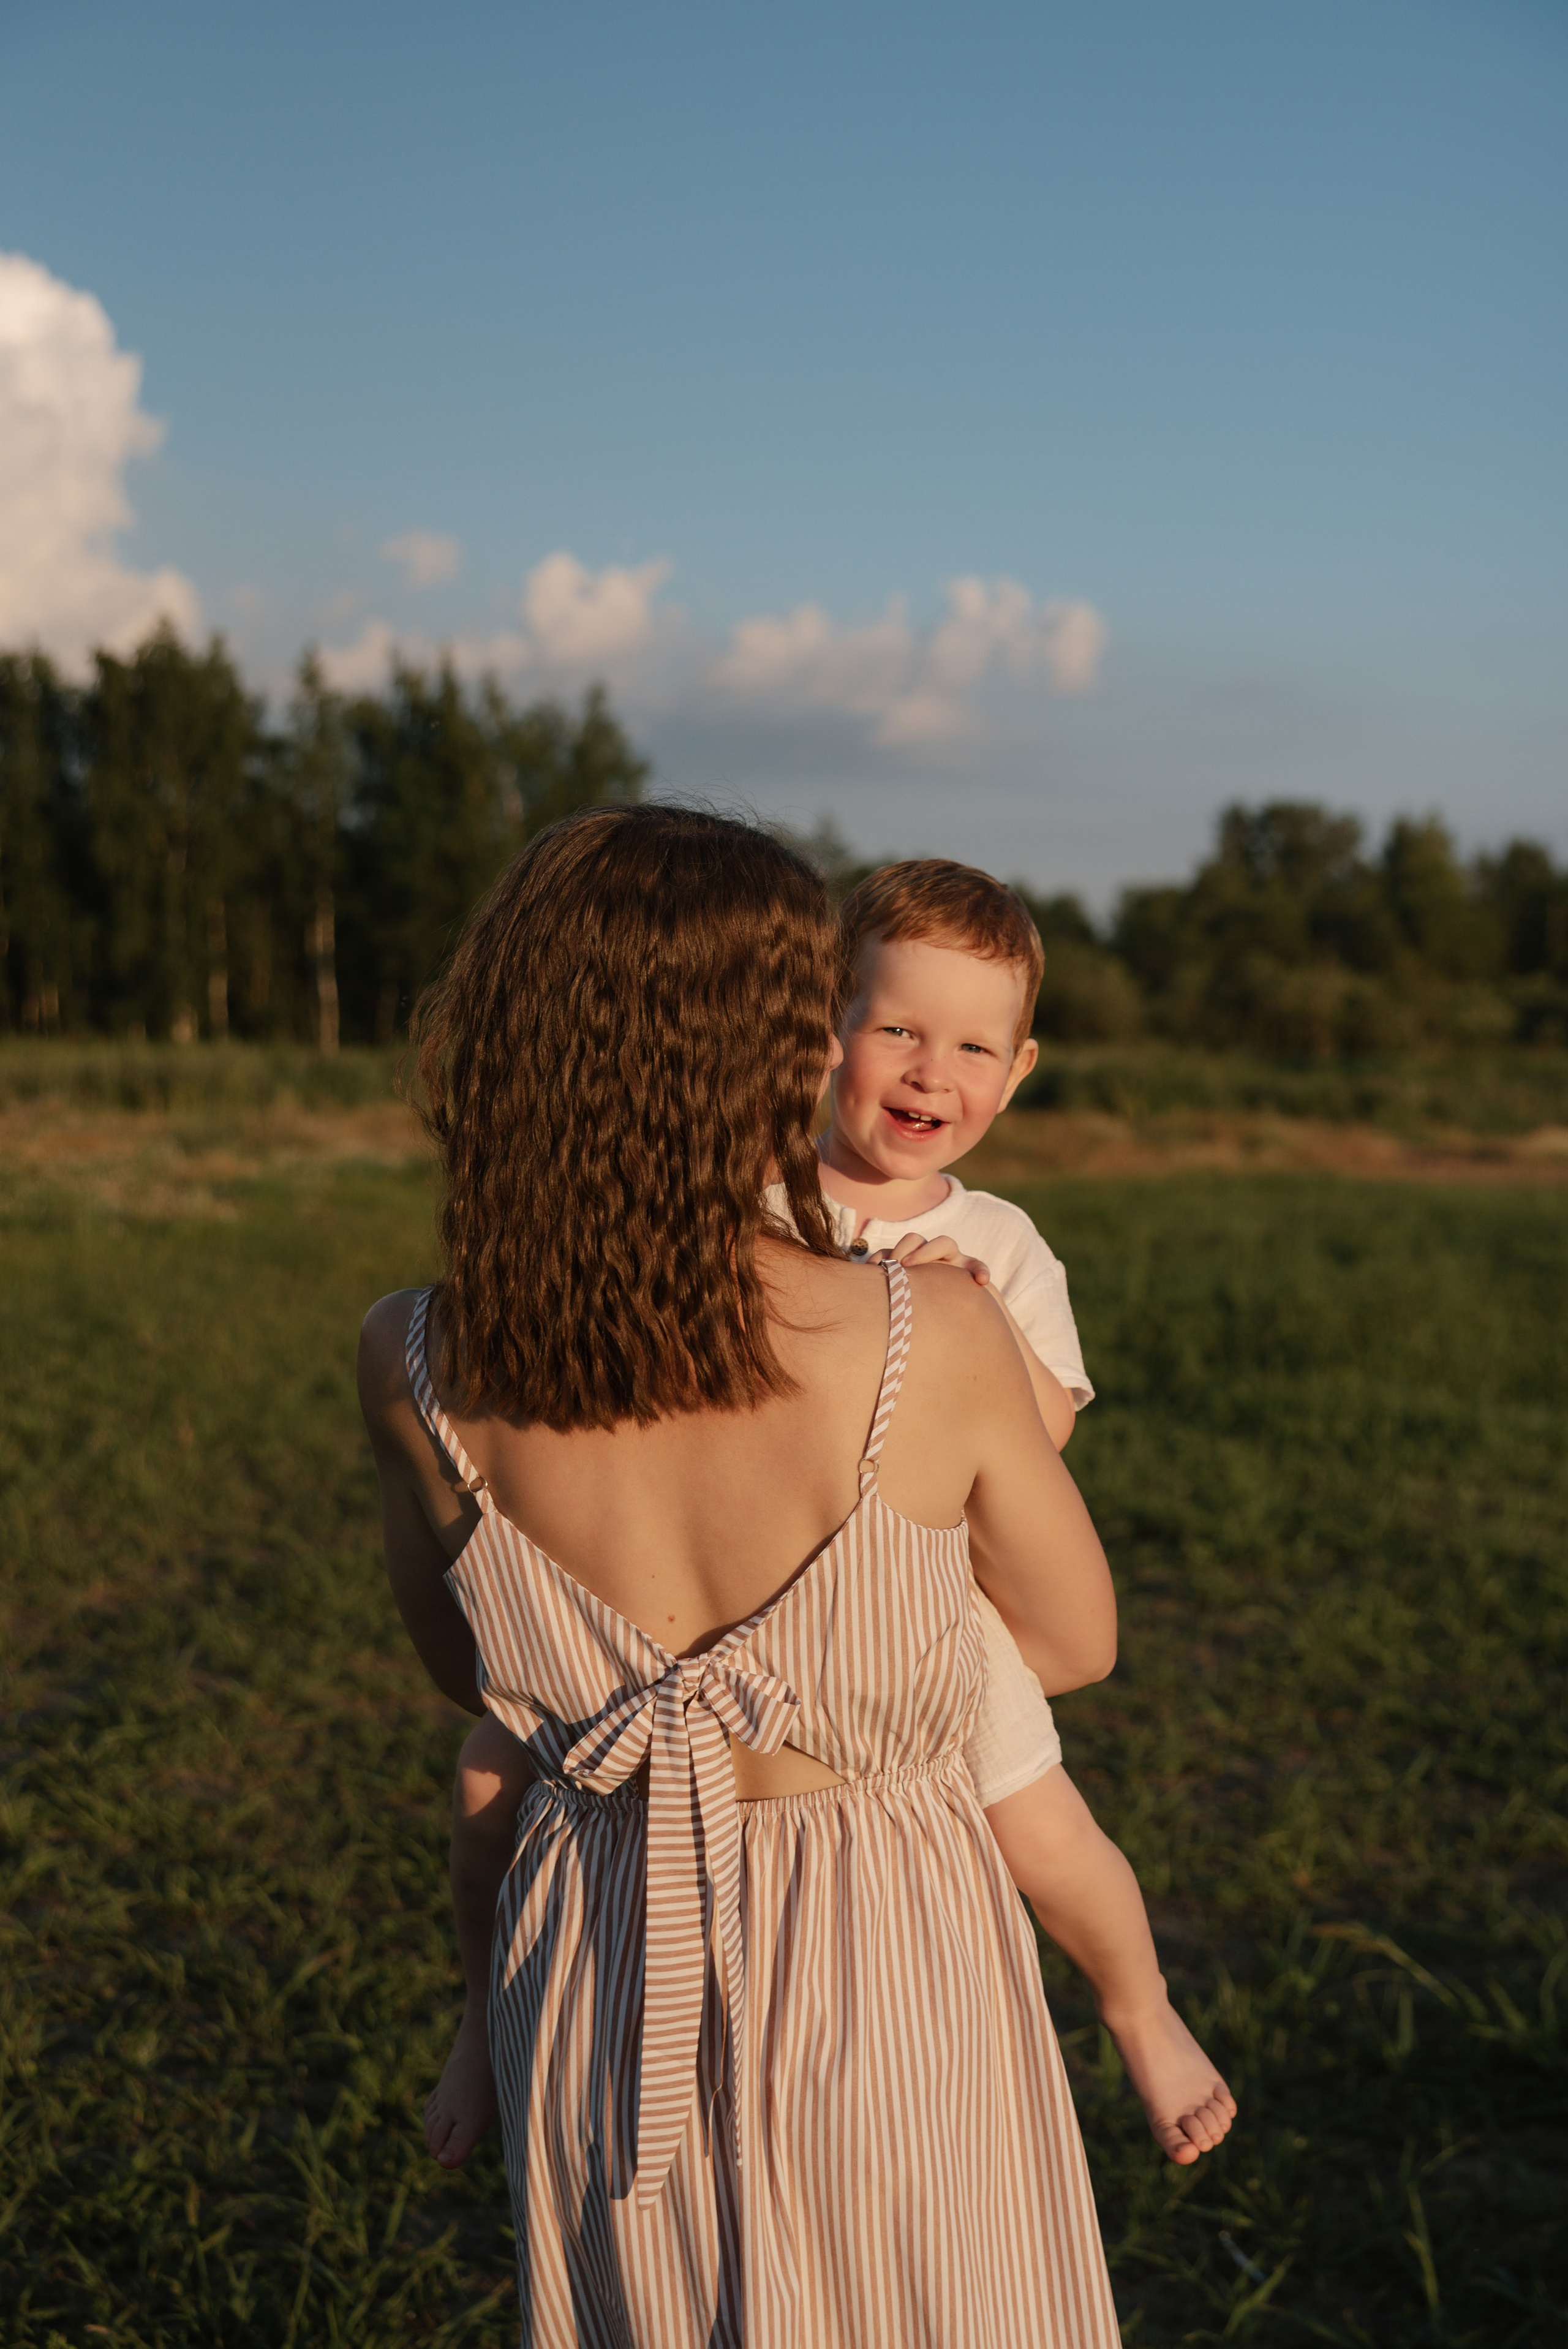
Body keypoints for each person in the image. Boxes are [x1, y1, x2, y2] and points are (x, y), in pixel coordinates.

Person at [359, 805, 1123, 2345]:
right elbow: (1069, 1641)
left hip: (597, 1944)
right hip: (883, 1945)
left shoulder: (416, 1355)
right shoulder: (931, 1331)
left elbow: (473, 1680)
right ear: (779, 1042)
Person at [431, 855, 1236, 2184]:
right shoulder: (751, 1194)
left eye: (973, 1045)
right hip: (729, 1595)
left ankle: (1139, 2012)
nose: (931, 1073)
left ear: (1020, 1069)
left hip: (922, 1609)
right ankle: (478, 2019)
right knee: (480, 1778)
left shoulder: (1000, 1247)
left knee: (1046, 1834)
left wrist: (964, 1318)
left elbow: (1047, 1436)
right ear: (822, 1033)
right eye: (898, 1030)